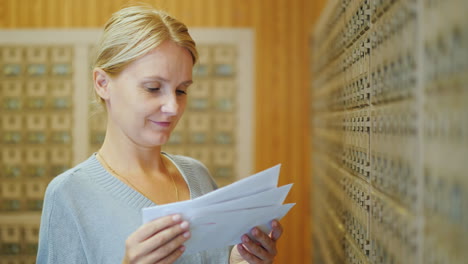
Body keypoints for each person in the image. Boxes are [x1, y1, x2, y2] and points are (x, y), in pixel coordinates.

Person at [37, 4, 283, 264]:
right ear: (102, 83)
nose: (173, 107)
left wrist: (236, 261)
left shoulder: (197, 175)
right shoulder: (69, 195)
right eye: (153, 88)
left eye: (181, 90)